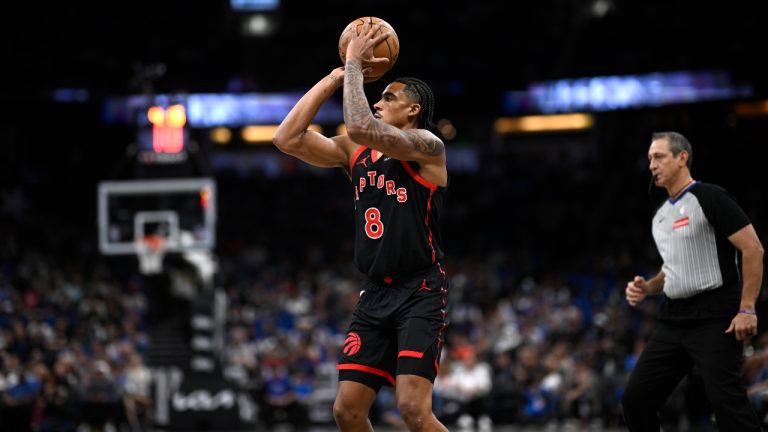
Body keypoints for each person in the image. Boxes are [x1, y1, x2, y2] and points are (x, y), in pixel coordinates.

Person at [273, 20, 449, 432]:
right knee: (346, 411)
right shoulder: (356, 153)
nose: (378, 101)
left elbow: (359, 127)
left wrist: (353, 63)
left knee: (413, 409)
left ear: (413, 110)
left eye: (388, 97)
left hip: (420, 290)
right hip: (375, 293)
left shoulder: (427, 147)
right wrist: (335, 77)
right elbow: (286, 137)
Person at [622, 131, 765, 431]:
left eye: (659, 156)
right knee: (636, 399)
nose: (652, 165)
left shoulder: (711, 197)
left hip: (715, 317)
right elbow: (673, 269)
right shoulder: (661, 217)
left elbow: (753, 248)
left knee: (726, 403)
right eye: (649, 159)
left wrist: (747, 308)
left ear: (682, 158)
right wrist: (648, 287)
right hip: (674, 320)